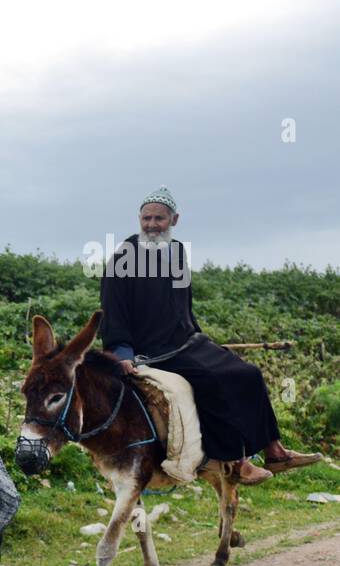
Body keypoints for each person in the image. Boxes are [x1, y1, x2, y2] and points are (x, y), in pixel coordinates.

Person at [99, 185, 321, 484]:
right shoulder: (123, 260)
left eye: (159, 219)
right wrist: (122, 354)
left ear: (174, 220)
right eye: (146, 218)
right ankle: (237, 461)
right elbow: (114, 313)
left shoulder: (176, 253)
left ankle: (275, 450)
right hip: (152, 352)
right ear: (139, 219)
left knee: (248, 373)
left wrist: (199, 338)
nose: (152, 225)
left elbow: (182, 308)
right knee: (215, 380)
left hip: (186, 342)